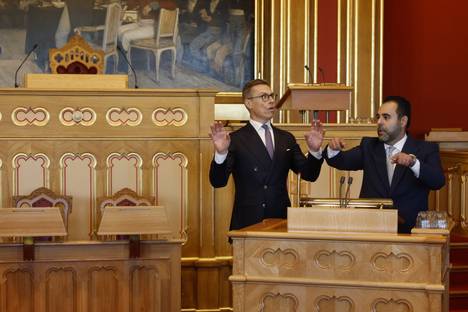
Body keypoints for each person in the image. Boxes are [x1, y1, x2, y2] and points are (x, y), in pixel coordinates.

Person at [209, 79, 324, 231]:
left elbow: (310, 175)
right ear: (249, 103)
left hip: (280, 221)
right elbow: (218, 181)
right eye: (264, 97)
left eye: (272, 96)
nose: (271, 101)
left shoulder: (286, 138)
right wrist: (221, 153)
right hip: (248, 223)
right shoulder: (236, 139)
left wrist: (315, 152)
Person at [324, 96, 445, 233]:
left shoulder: (425, 149)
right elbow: (341, 160)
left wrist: (413, 163)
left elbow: (438, 181)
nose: (379, 122)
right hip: (371, 230)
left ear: (403, 121)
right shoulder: (369, 146)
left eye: (386, 117)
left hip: (410, 233)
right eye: (378, 117)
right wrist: (333, 150)